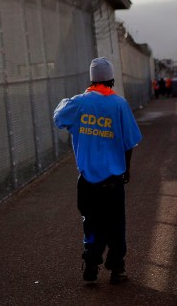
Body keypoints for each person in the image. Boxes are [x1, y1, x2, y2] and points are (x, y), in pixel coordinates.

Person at [53, 57, 142, 284]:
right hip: (113, 179)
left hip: (87, 180)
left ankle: (91, 265)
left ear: (91, 79)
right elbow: (129, 142)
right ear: (112, 79)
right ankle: (117, 268)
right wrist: (127, 168)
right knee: (116, 224)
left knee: (91, 222)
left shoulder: (79, 103)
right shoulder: (119, 104)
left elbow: (58, 117)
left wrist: (77, 99)